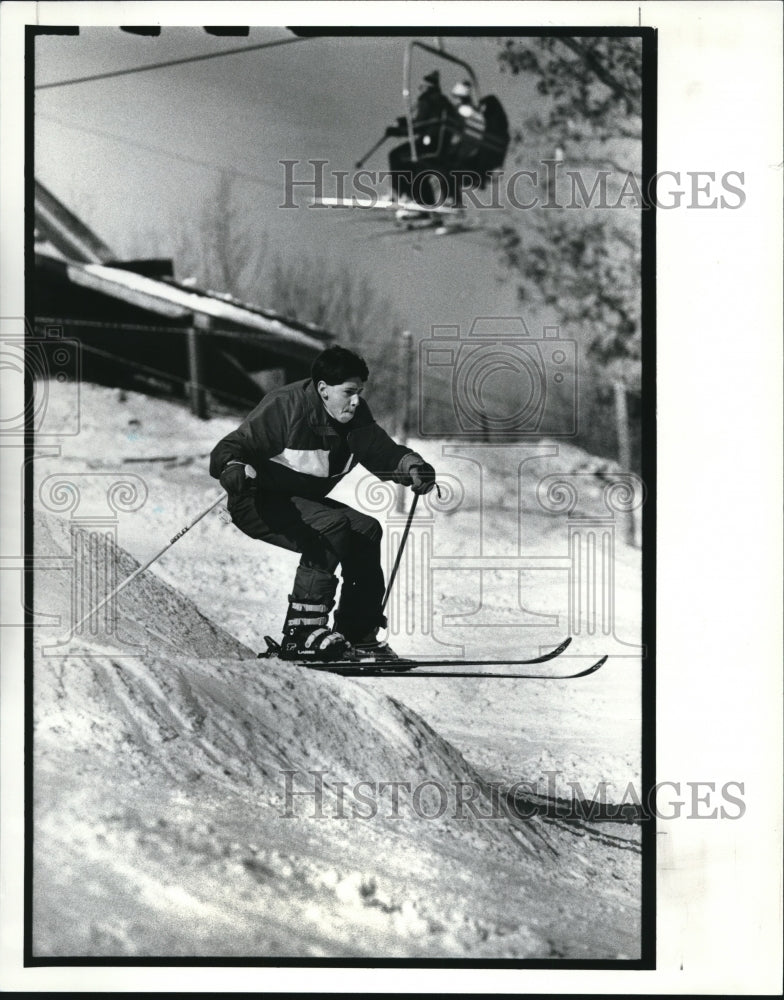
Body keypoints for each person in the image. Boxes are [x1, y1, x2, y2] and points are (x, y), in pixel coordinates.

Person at [210, 346, 437, 662]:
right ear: (323, 390)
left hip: (302, 501)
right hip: (256, 501)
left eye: (359, 392)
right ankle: (302, 633)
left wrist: (412, 467)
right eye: (349, 392)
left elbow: (382, 452)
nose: (356, 400)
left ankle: (356, 633)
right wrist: (233, 467)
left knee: (365, 530)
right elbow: (234, 446)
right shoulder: (286, 407)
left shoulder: (355, 418)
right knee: (331, 526)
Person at [386, 70, 461, 207]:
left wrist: (397, 131)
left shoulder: (427, 100)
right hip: (442, 144)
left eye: (421, 87)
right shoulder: (444, 102)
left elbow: (419, 125)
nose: (420, 90)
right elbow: (425, 120)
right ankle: (422, 199)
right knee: (414, 162)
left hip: (429, 143)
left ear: (427, 87)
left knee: (396, 156)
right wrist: (403, 122)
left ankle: (401, 193)